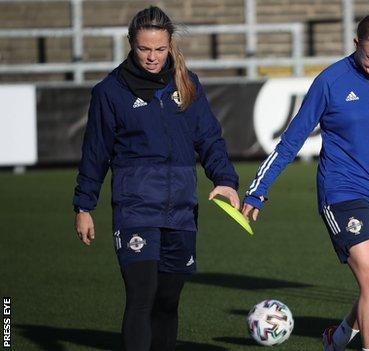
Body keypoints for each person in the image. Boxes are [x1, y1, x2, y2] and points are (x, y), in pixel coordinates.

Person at [241, 3, 369, 351]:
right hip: (341, 192)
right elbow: (291, 141)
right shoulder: (330, 82)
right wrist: (257, 190)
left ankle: (335, 339)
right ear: (356, 43)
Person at [72, 6, 239, 351]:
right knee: (142, 296)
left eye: (160, 49)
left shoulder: (187, 83)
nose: (152, 57)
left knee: (167, 301)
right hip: (135, 209)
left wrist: (225, 179)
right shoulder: (110, 92)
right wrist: (84, 205)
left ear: (170, 45)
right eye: (144, 49)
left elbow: (208, 138)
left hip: (181, 210)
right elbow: (95, 152)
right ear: (131, 44)